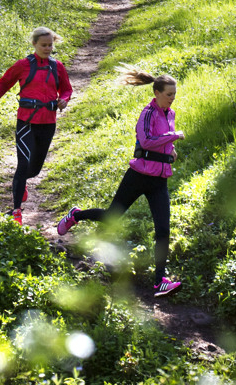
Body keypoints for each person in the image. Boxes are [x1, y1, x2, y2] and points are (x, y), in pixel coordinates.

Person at [56, 65, 183, 297]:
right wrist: (172, 136)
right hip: (139, 176)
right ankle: (76, 215)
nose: (172, 98)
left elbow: (164, 142)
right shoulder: (148, 113)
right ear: (156, 93)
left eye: (174, 94)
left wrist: (171, 151)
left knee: (163, 229)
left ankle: (159, 281)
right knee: (111, 216)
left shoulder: (170, 114)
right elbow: (147, 141)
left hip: (159, 180)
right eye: (168, 94)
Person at [0, 27, 73, 225]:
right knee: (23, 165)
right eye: (43, 45)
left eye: (50, 45)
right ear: (34, 44)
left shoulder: (57, 66)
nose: (47, 48)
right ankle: (16, 211)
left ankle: (22, 182)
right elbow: (4, 83)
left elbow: (67, 89)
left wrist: (64, 100)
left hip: (48, 122)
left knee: (34, 169)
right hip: (26, 121)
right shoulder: (23, 65)